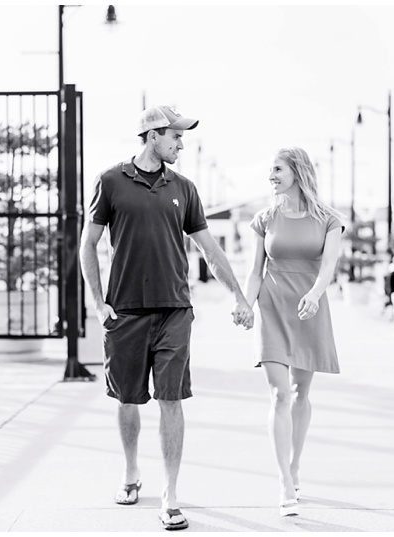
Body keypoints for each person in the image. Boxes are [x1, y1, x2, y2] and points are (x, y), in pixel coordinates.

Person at [79, 105, 254, 531]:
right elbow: (88, 245)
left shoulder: (186, 188)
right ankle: (131, 472)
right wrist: (99, 302)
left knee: (171, 399)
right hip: (125, 312)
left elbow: (209, 249)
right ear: (153, 135)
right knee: (127, 399)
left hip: (175, 309)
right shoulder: (110, 182)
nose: (181, 143)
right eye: (175, 136)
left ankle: (171, 495)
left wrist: (239, 296)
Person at [243, 147, 343, 517]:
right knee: (279, 394)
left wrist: (315, 295)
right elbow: (255, 270)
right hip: (271, 306)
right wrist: (244, 303)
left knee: (301, 392)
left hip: (308, 307)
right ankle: (285, 481)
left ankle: (295, 462)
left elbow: (328, 266)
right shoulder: (264, 218)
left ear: (297, 172)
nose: (271, 175)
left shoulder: (329, 219)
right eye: (270, 169)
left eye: (277, 169)